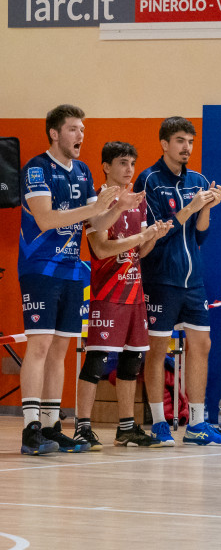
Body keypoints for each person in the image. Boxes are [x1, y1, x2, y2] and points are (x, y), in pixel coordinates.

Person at [18, 104, 143, 455]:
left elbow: (94, 227)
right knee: (40, 345)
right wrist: (97, 207)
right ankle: (30, 427)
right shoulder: (36, 168)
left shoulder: (83, 171)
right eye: (73, 129)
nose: (80, 136)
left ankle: (51, 425)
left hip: (74, 269)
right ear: (55, 133)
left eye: (83, 130)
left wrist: (118, 208)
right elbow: (45, 219)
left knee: (61, 350)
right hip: (41, 266)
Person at [134, 117, 221, 447]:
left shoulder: (198, 179)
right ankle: (159, 422)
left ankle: (198, 423)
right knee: (158, 350)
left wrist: (207, 208)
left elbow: (201, 235)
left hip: (194, 280)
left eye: (190, 140)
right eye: (179, 140)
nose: (186, 146)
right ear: (164, 144)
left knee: (201, 345)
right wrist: (190, 208)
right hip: (161, 277)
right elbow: (156, 233)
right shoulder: (149, 181)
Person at [73, 142, 173, 450]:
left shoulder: (139, 202)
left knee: (132, 361)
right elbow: (101, 249)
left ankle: (126, 428)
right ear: (105, 166)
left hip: (134, 292)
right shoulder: (97, 201)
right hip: (107, 292)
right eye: (122, 163)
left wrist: (152, 237)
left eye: (132, 163)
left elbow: (139, 251)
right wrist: (139, 237)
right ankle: (82, 427)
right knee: (97, 359)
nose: (129, 169)